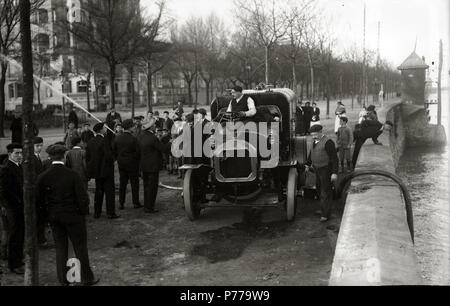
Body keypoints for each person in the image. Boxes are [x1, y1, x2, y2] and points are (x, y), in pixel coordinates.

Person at [36, 144, 99, 286]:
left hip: (54, 217)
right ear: (64, 157)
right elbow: (83, 199)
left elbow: (39, 200)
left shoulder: (43, 177)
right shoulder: (72, 175)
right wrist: (82, 213)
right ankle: (87, 278)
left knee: (60, 248)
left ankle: (63, 280)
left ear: (50, 157)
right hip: (73, 217)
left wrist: (47, 216)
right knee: (80, 247)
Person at [86, 123, 119, 219]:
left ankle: (97, 213)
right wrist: (113, 159)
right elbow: (108, 156)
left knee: (98, 192)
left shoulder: (91, 141)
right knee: (109, 192)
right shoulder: (104, 140)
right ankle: (110, 213)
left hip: (97, 172)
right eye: (105, 128)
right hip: (106, 171)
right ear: (101, 130)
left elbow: (88, 157)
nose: (106, 129)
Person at [0, 143, 24, 274]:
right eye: (17, 153)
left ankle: (18, 259)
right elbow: (5, 192)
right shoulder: (7, 169)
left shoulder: (18, 166)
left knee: (20, 234)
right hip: (13, 208)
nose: (20, 156)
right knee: (14, 234)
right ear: (10, 154)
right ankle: (13, 264)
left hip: (19, 206)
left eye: (21, 153)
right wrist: (17, 202)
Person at [138, 118, 171, 213]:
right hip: (153, 167)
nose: (155, 126)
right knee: (152, 188)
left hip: (144, 166)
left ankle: (146, 205)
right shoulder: (153, 138)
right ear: (151, 127)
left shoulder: (141, 136)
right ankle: (150, 207)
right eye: (153, 125)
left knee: (146, 187)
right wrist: (170, 143)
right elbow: (163, 148)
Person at [306, 125, 338, 222]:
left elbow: (334, 158)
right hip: (317, 169)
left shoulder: (328, 142)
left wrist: (334, 172)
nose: (314, 137)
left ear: (320, 132)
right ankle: (323, 209)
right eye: (312, 135)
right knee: (319, 190)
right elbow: (311, 153)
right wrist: (307, 164)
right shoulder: (314, 141)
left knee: (325, 191)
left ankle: (325, 214)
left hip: (326, 170)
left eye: (315, 135)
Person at [112, 119, 142, 210]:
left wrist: (118, 159)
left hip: (122, 164)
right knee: (134, 184)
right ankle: (135, 203)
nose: (134, 127)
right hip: (132, 164)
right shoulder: (133, 139)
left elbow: (114, 151)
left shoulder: (117, 138)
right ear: (129, 127)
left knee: (122, 184)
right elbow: (138, 152)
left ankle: (121, 203)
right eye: (133, 126)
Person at [32, 137, 48, 247]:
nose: (40, 148)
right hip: (36, 192)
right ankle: (40, 240)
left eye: (41, 145)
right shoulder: (32, 158)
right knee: (38, 218)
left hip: (39, 191)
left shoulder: (37, 157)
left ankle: (40, 238)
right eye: (37, 146)